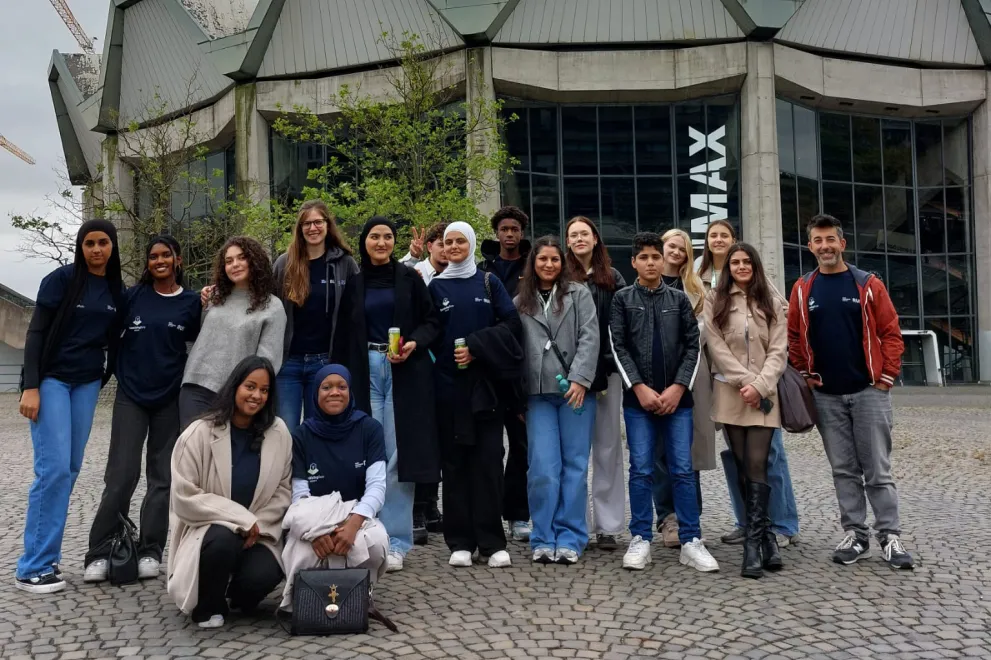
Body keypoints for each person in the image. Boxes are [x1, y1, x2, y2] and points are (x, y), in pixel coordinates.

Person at [788, 214, 913, 569]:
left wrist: (886, 376)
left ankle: (890, 536)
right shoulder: (803, 288)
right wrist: (804, 374)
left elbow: (890, 333)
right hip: (826, 395)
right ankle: (856, 534)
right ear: (810, 246)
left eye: (831, 239)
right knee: (843, 469)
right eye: (818, 240)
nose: (825, 246)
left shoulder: (868, 284)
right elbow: (794, 336)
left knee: (877, 469)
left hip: (868, 391)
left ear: (842, 244)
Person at [15, 219, 126, 594]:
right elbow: (36, 332)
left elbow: (117, 337)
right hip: (52, 381)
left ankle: (46, 557)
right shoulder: (61, 280)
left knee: (71, 468)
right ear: (81, 247)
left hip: (86, 383)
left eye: (103, 242)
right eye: (89, 243)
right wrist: (31, 387)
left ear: (112, 246)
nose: (96, 249)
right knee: (54, 470)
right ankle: (32, 566)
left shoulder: (115, 288)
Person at [84, 236, 201, 584]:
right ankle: (100, 550)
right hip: (131, 397)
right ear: (147, 262)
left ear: (177, 260)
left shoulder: (193, 303)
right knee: (121, 475)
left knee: (161, 478)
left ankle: (151, 549)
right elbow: (106, 334)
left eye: (166, 255)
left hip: (169, 399)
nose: (160, 260)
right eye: (153, 256)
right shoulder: (131, 297)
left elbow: (197, 347)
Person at [332, 217, 441, 572]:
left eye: (388, 237)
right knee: (368, 451)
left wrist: (414, 343)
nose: (381, 242)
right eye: (375, 237)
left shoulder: (410, 279)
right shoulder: (355, 283)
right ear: (363, 242)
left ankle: (396, 540)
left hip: (402, 369)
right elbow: (343, 333)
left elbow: (432, 322)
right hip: (365, 368)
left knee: (396, 454)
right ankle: (365, 532)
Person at [609, 232, 718, 573]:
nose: (651, 262)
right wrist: (639, 387)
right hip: (638, 400)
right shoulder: (622, 299)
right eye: (644, 257)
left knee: (683, 470)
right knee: (641, 469)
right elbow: (618, 346)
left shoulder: (680, 299)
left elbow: (692, 346)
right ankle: (640, 538)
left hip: (678, 401)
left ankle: (691, 540)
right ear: (634, 262)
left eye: (656, 256)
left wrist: (678, 388)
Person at [168, 356, 292, 628]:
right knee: (223, 541)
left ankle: (234, 593)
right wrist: (240, 520)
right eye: (250, 386)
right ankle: (207, 605)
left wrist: (255, 525)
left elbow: (283, 491)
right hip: (210, 532)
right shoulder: (199, 433)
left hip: (259, 532)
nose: (256, 395)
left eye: (264, 390)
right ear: (235, 386)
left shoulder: (279, 432)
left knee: (263, 577)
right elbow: (184, 494)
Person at [698, 220, 800, 548]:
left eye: (724, 237)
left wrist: (761, 383)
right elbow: (714, 343)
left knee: (767, 460)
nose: (719, 241)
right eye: (713, 235)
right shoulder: (706, 284)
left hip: (764, 391)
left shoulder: (766, 292)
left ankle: (776, 526)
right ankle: (752, 527)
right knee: (740, 461)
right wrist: (745, 381)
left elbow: (779, 345)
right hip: (730, 387)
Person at [429, 222, 524, 568]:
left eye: (460, 241)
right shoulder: (435, 287)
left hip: (486, 389)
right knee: (454, 465)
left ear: (470, 244)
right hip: (448, 389)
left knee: (487, 462)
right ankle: (460, 541)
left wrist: (475, 347)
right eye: (448, 242)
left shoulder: (489, 281)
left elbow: (511, 325)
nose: (454, 247)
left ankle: (491, 541)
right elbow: (427, 331)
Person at [516, 236, 600, 564]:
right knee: (542, 468)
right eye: (542, 260)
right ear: (533, 263)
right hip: (538, 395)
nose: (549, 265)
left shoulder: (579, 294)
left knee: (575, 467)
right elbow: (515, 347)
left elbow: (590, 336)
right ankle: (543, 535)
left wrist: (580, 379)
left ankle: (571, 536)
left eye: (554, 259)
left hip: (574, 392)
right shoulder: (520, 301)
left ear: (562, 263)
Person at [281, 364, 389, 604]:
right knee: (302, 551)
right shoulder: (302, 435)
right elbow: (299, 495)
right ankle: (310, 601)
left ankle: (358, 596)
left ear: (350, 391)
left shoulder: (369, 429)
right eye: (326, 387)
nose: (334, 393)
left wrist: (353, 524)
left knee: (376, 543)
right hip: (314, 519)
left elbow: (377, 486)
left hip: (356, 517)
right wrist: (317, 531)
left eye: (342, 387)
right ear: (315, 394)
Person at [565, 216, 627, 550]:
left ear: (595, 238)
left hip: (608, 374)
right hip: (572, 376)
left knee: (607, 449)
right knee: (575, 453)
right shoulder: (561, 275)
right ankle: (576, 523)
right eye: (573, 235)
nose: (578, 239)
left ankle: (607, 525)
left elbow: (618, 327)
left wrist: (605, 366)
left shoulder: (612, 278)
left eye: (583, 233)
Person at [180, 236, 286, 430]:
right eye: (229, 261)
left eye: (241, 258)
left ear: (254, 261)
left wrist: (248, 391)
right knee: (192, 455)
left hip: (236, 395)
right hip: (195, 386)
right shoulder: (214, 297)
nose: (234, 265)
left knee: (227, 457)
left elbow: (267, 360)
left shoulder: (273, 306)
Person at [273, 200, 359, 433]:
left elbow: (360, 306)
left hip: (325, 361)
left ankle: (315, 471)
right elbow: (265, 303)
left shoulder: (345, 264)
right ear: (300, 229)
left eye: (318, 222)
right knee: (286, 431)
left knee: (317, 430)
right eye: (307, 224)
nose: (313, 228)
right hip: (288, 363)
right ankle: (288, 472)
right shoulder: (284, 263)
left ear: (327, 225)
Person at [652, 228, 710, 548]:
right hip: (651, 380)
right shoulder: (645, 283)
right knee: (659, 452)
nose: (676, 252)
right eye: (671, 246)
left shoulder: (695, 288)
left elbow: (699, 334)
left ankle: (691, 516)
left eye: (682, 248)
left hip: (685, 378)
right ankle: (667, 518)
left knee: (685, 451)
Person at [479, 205, 532, 541]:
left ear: (522, 233)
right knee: (489, 448)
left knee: (522, 444)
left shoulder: (533, 265)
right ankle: (489, 514)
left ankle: (518, 514)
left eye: (515, 229)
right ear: (496, 232)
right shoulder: (483, 268)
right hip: (488, 365)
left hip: (522, 366)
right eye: (504, 229)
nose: (509, 234)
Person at [408, 221, 448, 543]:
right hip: (420, 363)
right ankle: (417, 507)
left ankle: (432, 504)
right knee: (420, 437)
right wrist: (410, 258)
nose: (447, 249)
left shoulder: (464, 272)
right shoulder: (416, 272)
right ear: (432, 245)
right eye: (442, 243)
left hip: (449, 367)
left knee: (440, 438)